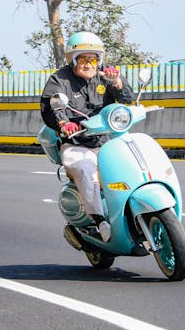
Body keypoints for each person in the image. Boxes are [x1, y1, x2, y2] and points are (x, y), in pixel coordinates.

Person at [40, 31, 134, 242]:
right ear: (73, 59)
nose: (88, 64)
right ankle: (98, 220)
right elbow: (51, 106)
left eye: (93, 59)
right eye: (83, 59)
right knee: (86, 169)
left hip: (107, 140)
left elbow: (126, 98)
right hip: (77, 143)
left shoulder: (106, 75)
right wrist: (64, 123)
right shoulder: (59, 79)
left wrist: (117, 81)